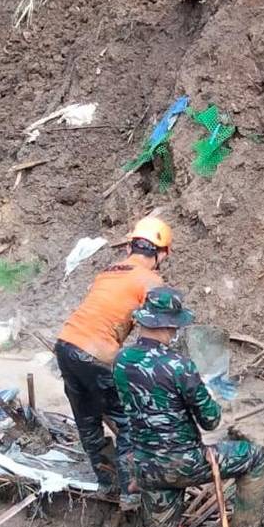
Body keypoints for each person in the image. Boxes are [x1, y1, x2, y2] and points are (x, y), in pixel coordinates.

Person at [113, 287, 264, 527]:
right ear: (169, 326)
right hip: (187, 462)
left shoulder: (121, 361)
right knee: (255, 456)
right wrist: (205, 392)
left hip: (147, 467)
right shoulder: (179, 366)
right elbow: (210, 420)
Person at [55, 215, 170, 507]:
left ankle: (107, 483)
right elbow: (158, 327)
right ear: (161, 252)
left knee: (88, 420)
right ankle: (130, 492)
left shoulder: (108, 272)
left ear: (131, 245)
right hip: (96, 353)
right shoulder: (151, 281)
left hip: (66, 344)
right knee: (129, 422)